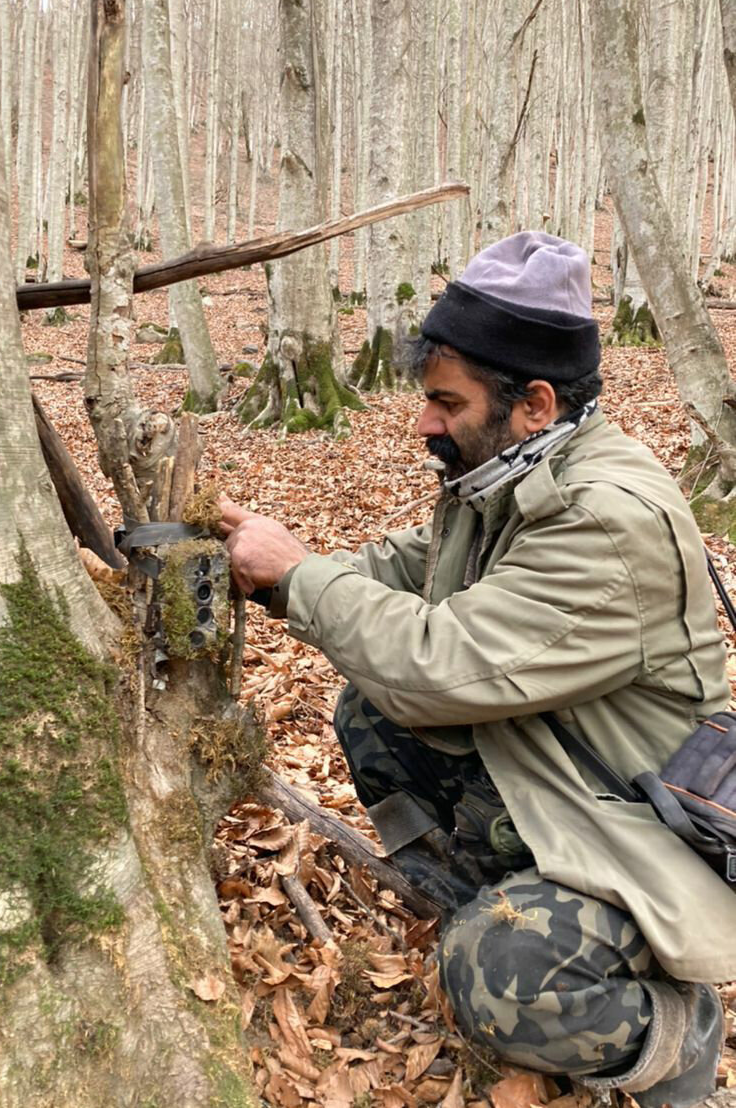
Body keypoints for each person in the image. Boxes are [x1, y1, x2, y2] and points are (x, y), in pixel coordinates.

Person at [220, 232, 735, 1108]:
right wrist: (273, 567)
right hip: (558, 777)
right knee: (370, 713)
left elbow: (438, 668)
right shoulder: (519, 468)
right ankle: (490, 898)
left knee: (493, 973)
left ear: (534, 402)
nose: (426, 423)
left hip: (645, 826)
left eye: (445, 402)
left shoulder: (604, 519)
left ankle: (675, 1035)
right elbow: (417, 568)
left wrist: (300, 577)